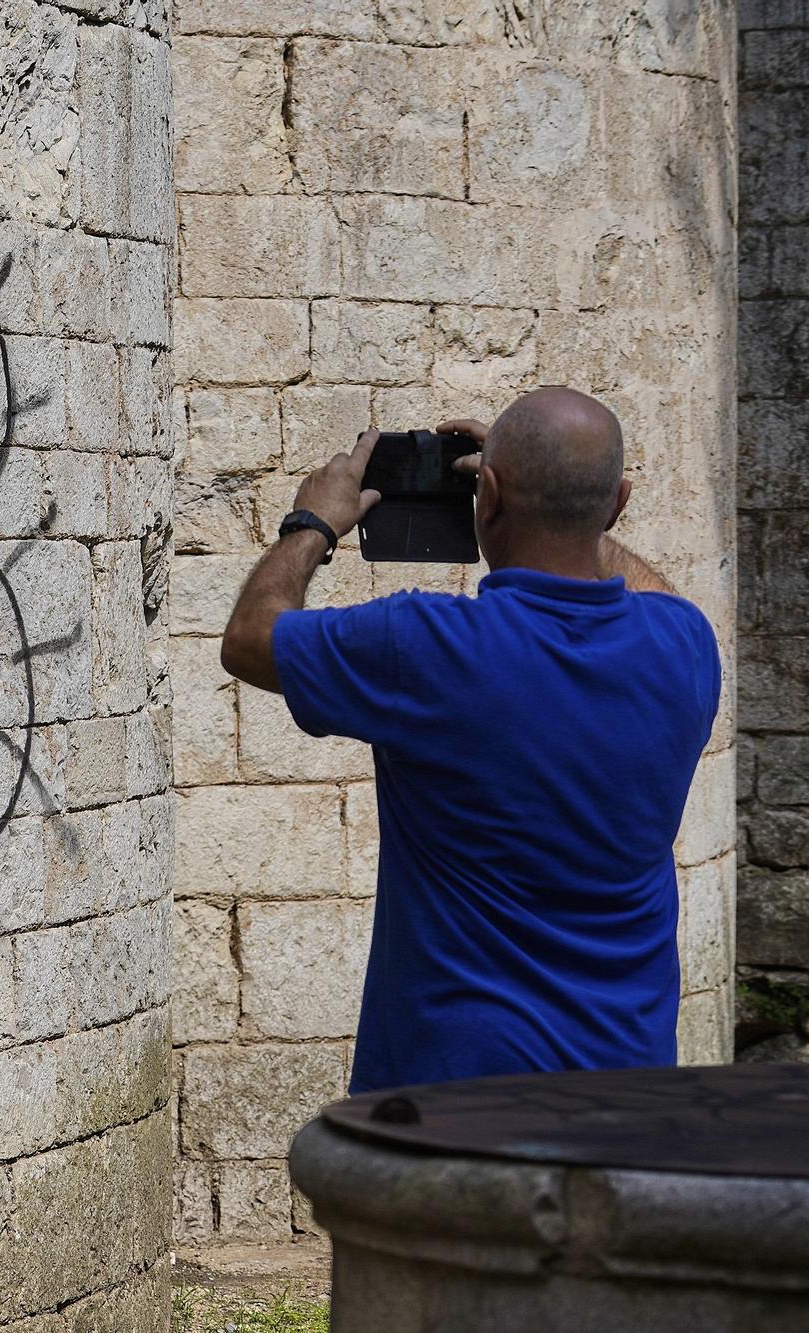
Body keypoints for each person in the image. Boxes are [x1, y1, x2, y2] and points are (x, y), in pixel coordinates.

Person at [219, 386, 720, 1093]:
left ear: (485, 495)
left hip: (455, 1111)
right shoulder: (685, 648)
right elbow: (656, 592)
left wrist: (312, 524)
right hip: (626, 1104)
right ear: (619, 503)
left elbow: (248, 639)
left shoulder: (428, 649)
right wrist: (562, 503)